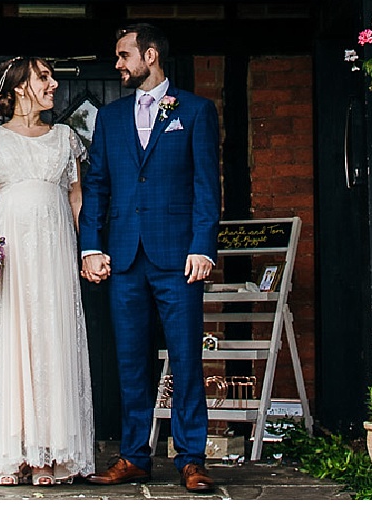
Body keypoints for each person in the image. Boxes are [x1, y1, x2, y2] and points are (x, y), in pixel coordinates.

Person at [79, 24, 221, 494]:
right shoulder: (110, 118)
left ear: (151, 55)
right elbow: (97, 184)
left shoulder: (196, 111)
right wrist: (91, 246)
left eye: (124, 56)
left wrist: (203, 246)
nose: (117, 64)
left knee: (185, 358)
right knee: (130, 360)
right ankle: (135, 455)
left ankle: (191, 457)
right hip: (124, 257)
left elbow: (206, 185)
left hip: (178, 256)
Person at [0, 56, 96, 486]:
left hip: (52, 256)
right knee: (12, 342)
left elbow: (76, 199)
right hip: (9, 254)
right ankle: (11, 452)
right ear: (19, 88)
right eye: (44, 78)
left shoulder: (65, 140)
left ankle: (48, 453)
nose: (53, 85)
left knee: (51, 341)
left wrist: (88, 249)